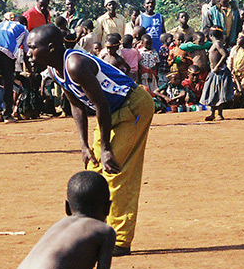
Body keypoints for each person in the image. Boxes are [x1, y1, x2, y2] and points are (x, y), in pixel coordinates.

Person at [28, 24, 153, 256]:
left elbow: (101, 104)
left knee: (115, 169)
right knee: (95, 170)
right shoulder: (55, 70)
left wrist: (105, 148)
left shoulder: (74, 64)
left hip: (132, 106)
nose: (28, 53)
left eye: (33, 47)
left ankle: (120, 241)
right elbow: (76, 104)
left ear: (52, 48)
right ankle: (93, 230)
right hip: (109, 113)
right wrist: (84, 145)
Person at [200, 27, 235, 121]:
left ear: (211, 36)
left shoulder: (217, 43)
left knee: (219, 93)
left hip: (220, 72)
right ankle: (212, 113)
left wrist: (217, 66)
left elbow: (224, 54)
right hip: (214, 72)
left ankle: (219, 114)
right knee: (212, 92)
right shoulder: (215, 44)